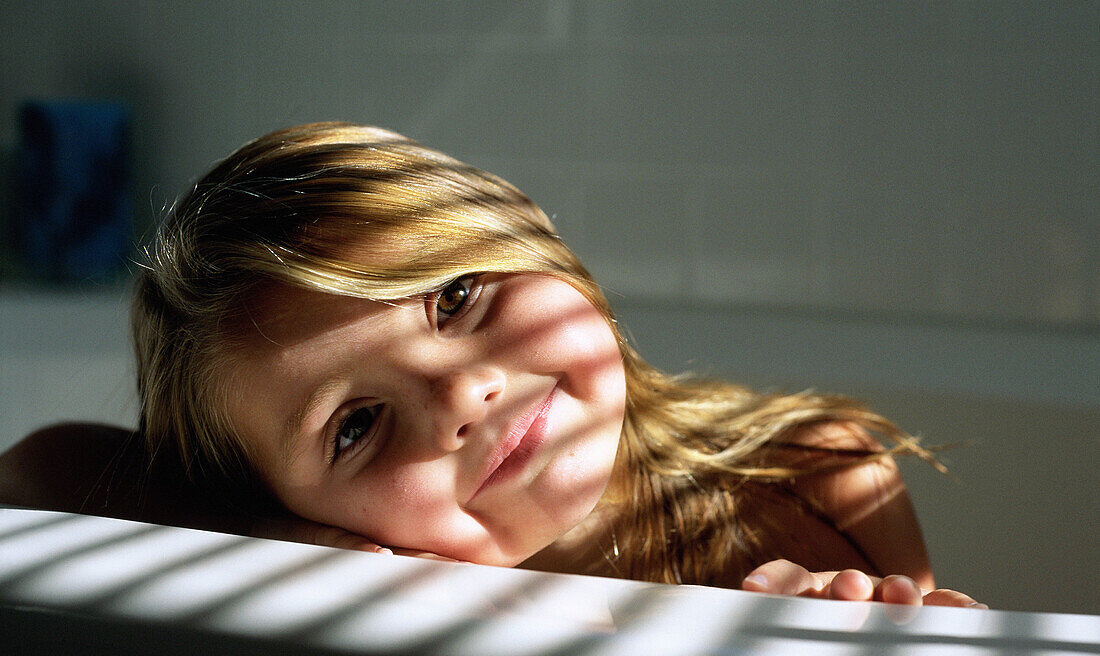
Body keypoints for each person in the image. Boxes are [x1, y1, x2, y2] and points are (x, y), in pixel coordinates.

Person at [0, 123, 983, 608]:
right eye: (355, 426)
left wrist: (885, 638)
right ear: (305, 508)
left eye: (455, 296)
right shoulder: (339, 574)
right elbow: (40, 469)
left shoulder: (812, 479)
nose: (457, 395)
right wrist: (272, 539)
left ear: (533, 234)